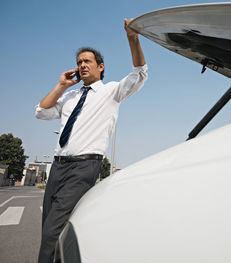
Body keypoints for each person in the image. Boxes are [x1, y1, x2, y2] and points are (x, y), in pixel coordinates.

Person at [35, 18, 147, 263]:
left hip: (83, 167)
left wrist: (132, 39)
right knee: (49, 228)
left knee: (52, 232)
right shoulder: (70, 96)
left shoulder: (111, 92)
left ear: (101, 66)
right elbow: (41, 112)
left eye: (87, 61)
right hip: (58, 167)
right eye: (79, 62)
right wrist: (61, 85)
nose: (82, 65)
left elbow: (140, 74)